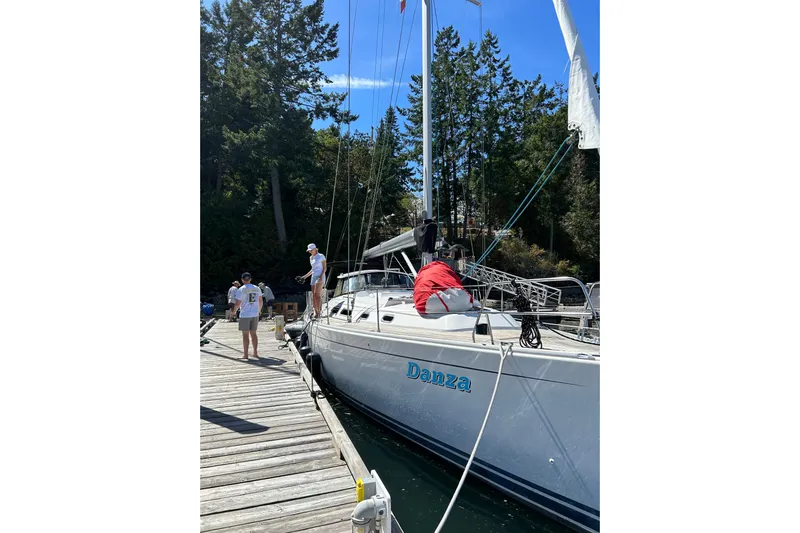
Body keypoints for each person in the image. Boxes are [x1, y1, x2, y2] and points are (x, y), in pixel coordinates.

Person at [232, 273, 262, 360]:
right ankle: (255, 353)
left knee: (245, 335)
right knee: (254, 334)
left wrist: (234, 312)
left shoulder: (241, 289)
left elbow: (238, 303)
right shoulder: (257, 288)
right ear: (250, 279)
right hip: (254, 314)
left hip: (245, 314)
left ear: (242, 280)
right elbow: (260, 301)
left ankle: (245, 355)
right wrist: (259, 310)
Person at [298, 243, 326, 318]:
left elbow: (324, 268)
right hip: (313, 276)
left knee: (317, 294)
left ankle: (319, 311)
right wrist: (304, 277)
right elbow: (312, 270)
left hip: (320, 275)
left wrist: (321, 277)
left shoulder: (321, 256)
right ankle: (315, 311)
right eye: (309, 251)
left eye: (310, 250)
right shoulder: (311, 258)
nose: (309, 252)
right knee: (313, 295)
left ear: (314, 249)